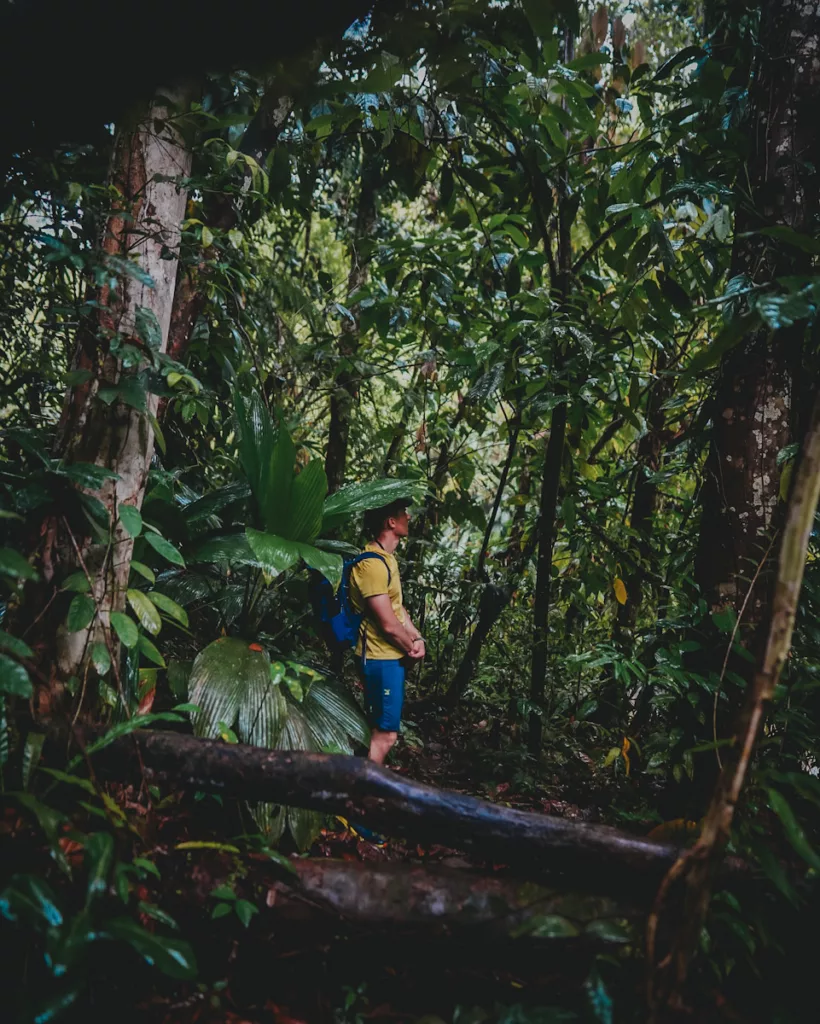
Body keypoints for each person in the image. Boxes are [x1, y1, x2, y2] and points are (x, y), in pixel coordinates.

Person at [349, 498, 425, 765]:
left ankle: (358, 788)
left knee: (378, 730)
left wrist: (416, 638)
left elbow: (397, 607)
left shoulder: (387, 559)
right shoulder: (370, 565)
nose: (409, 517)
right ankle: (361, 797)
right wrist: (409, 647)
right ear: (391, 522)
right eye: (404, 513)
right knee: (385, 735)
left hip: (390, 657)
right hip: (379, 658)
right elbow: (388, 624)